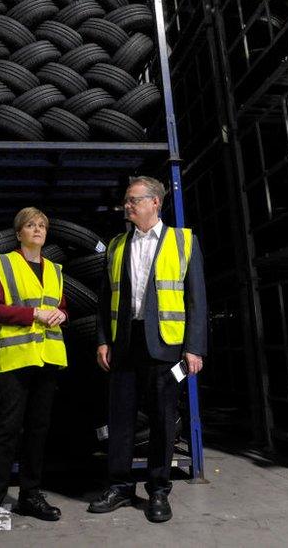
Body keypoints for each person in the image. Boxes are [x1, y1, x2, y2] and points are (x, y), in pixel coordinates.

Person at [87, 176, 208, 523]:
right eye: (127, 201)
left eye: (133, 200)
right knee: (120, 419)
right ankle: (120, 487)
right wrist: (102, 340)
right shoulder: (116, 245)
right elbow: (104, 299)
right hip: (124, 342)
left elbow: (196, 298)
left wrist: (194, 347)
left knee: (162, 420)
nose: (127, 206)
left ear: (155, 202)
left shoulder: (183, 241)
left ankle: (158, 490)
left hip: (166, 345)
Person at [0, 207, 69, 546]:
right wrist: (34, 314)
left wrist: (60, 314)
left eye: (42, 225)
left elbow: (61, 307)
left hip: (47, 359)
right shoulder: (4, 264)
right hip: (15, 360)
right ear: (19, 233)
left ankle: (30, 496)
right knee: (6, 432)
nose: (38, 230)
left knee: (39, 431)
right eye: (31, 225)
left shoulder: (55, 270)